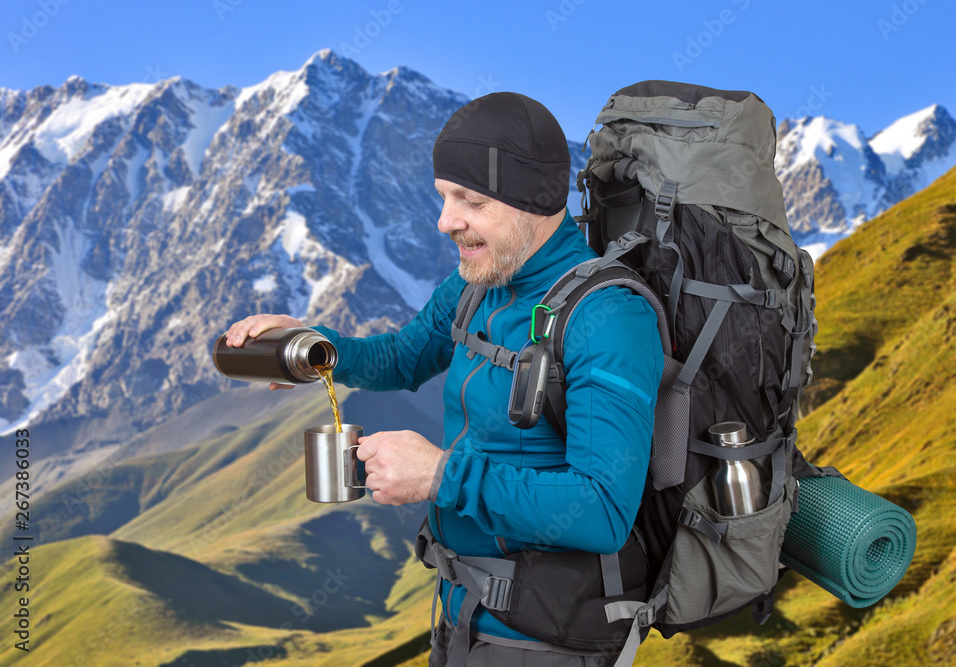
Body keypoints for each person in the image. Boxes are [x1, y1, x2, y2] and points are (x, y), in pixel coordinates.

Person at [225, 92, 663, 667]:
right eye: (443, 197)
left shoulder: (609, 318)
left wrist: (439, 474)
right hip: (461, 613)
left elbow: (603, 509)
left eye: (471, 201)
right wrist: (316, 348)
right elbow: (402, 358)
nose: (445, 222)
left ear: (532, 199)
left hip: (547, 637)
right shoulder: (477, 285)